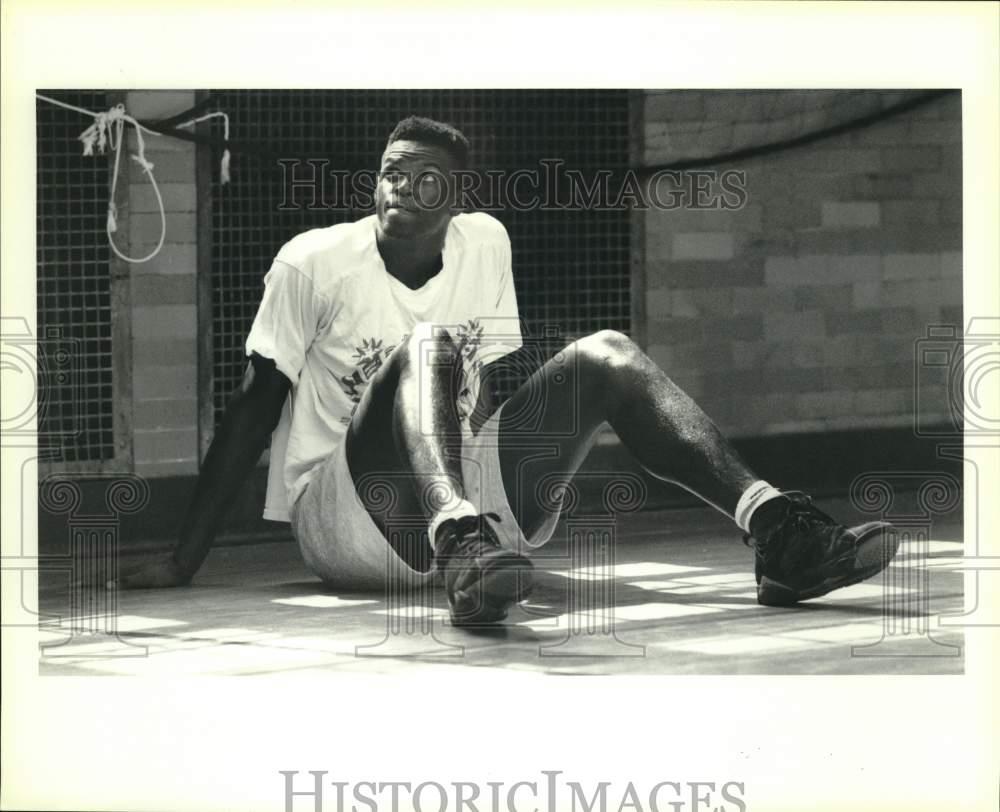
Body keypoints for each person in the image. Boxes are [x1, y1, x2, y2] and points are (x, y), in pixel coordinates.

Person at [113, 115, 899, 627]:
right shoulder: (313, 263)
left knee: (608, 353)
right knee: (426, 345)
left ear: (456, 197)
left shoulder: (486, 243)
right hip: (347, 516)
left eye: (425, 181)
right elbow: (255, 408)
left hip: (469, 508)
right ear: (375, 180)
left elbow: (482, 392)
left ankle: (778, 535)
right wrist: (185, 560)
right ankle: (460, 541)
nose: (403, 191)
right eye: (391, 172)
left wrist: (497, 485)